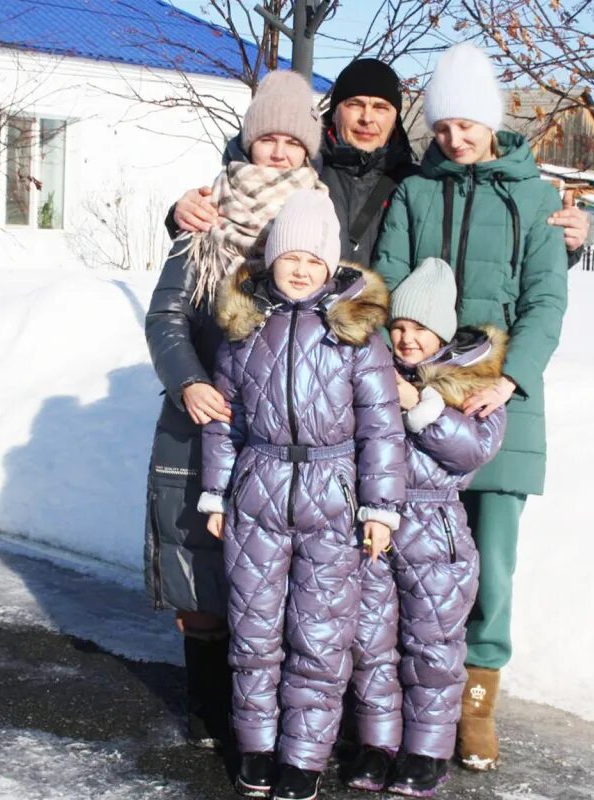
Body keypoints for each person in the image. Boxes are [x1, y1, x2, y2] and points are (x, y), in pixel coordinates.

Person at [372, 42, 570, 772]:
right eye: (444, 125)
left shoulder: (537, 199)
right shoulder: (417, 193)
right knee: (409, 554)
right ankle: (404, 693)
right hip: (416, 390)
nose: (455, 139)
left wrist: (512, 379)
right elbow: (388, 273)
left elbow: (547, 298)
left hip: (498, 397)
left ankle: (476, 702)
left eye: (468, 124)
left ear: (493, 122)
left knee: (490, 561)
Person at [199, 190, 406, 800]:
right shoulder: (244, 331)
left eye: (312, 260)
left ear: (330, 267)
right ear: (270, 260)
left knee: (319, 634)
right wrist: (216, 494)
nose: (299, 268)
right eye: (289, 256)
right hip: (257, 491)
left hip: (332, 495)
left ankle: (303, 757)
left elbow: (381, 428)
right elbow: (225, 423)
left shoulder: (356, 338)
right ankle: (257, 747)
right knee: (255, 630)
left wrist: (380, 508)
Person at [143, 69, 326, 750]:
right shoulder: (206, 217)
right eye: (267, 139)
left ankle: (264, 716)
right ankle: (206, 710)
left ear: (309, 151)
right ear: (248, 143)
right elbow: (165, 317)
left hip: (282, 429)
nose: (278, 152)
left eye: (291, 141)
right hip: (205, 416)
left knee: (269, 576)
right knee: (202, 575)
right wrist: (187, 382)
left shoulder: (319, 224)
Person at [171, 59, 592, 268]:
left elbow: (480, 241)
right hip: (293, 337)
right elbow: (236, 202)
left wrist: (568, 246)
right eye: (354, 104)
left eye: (381, 107)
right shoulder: (301, 169)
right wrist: (180, 213)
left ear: (396, 116)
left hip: (384, 352)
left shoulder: (417, 181)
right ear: (335, 111)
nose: (367, 118)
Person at [347, 258, 509, 796]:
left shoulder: (475, 384)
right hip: (374, 527)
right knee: (370, 642)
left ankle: (427, 750)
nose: (406, 338)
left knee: (433, 647)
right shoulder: (371, 369)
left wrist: (420, 404)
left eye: (419, 329)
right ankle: (378, 743)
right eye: (398, 326)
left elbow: (471, 451)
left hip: (436, 530)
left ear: (440, 331)